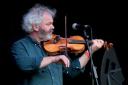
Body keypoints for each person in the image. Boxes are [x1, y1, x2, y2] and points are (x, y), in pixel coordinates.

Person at [11, 3, 104, 85]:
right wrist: (53, 59)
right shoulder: (20, 46)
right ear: (35, 27)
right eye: (48, 24)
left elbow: (71, 71)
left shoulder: (55, 48)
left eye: (53, 23)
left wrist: (89, 51)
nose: (53, 27)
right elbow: (24, 65)